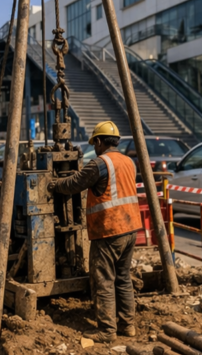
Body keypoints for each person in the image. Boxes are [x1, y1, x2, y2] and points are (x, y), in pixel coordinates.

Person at [47, 121, 142, 343]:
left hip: (109, 230)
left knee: (104, 280)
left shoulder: (99, 164)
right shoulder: (129, 162)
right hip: (130, 229)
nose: (94, 147)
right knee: (123, 278)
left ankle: (107, 330)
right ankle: (128, 326)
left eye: (94, 143)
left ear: (99, 142)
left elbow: (74, 184)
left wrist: (53, 184)